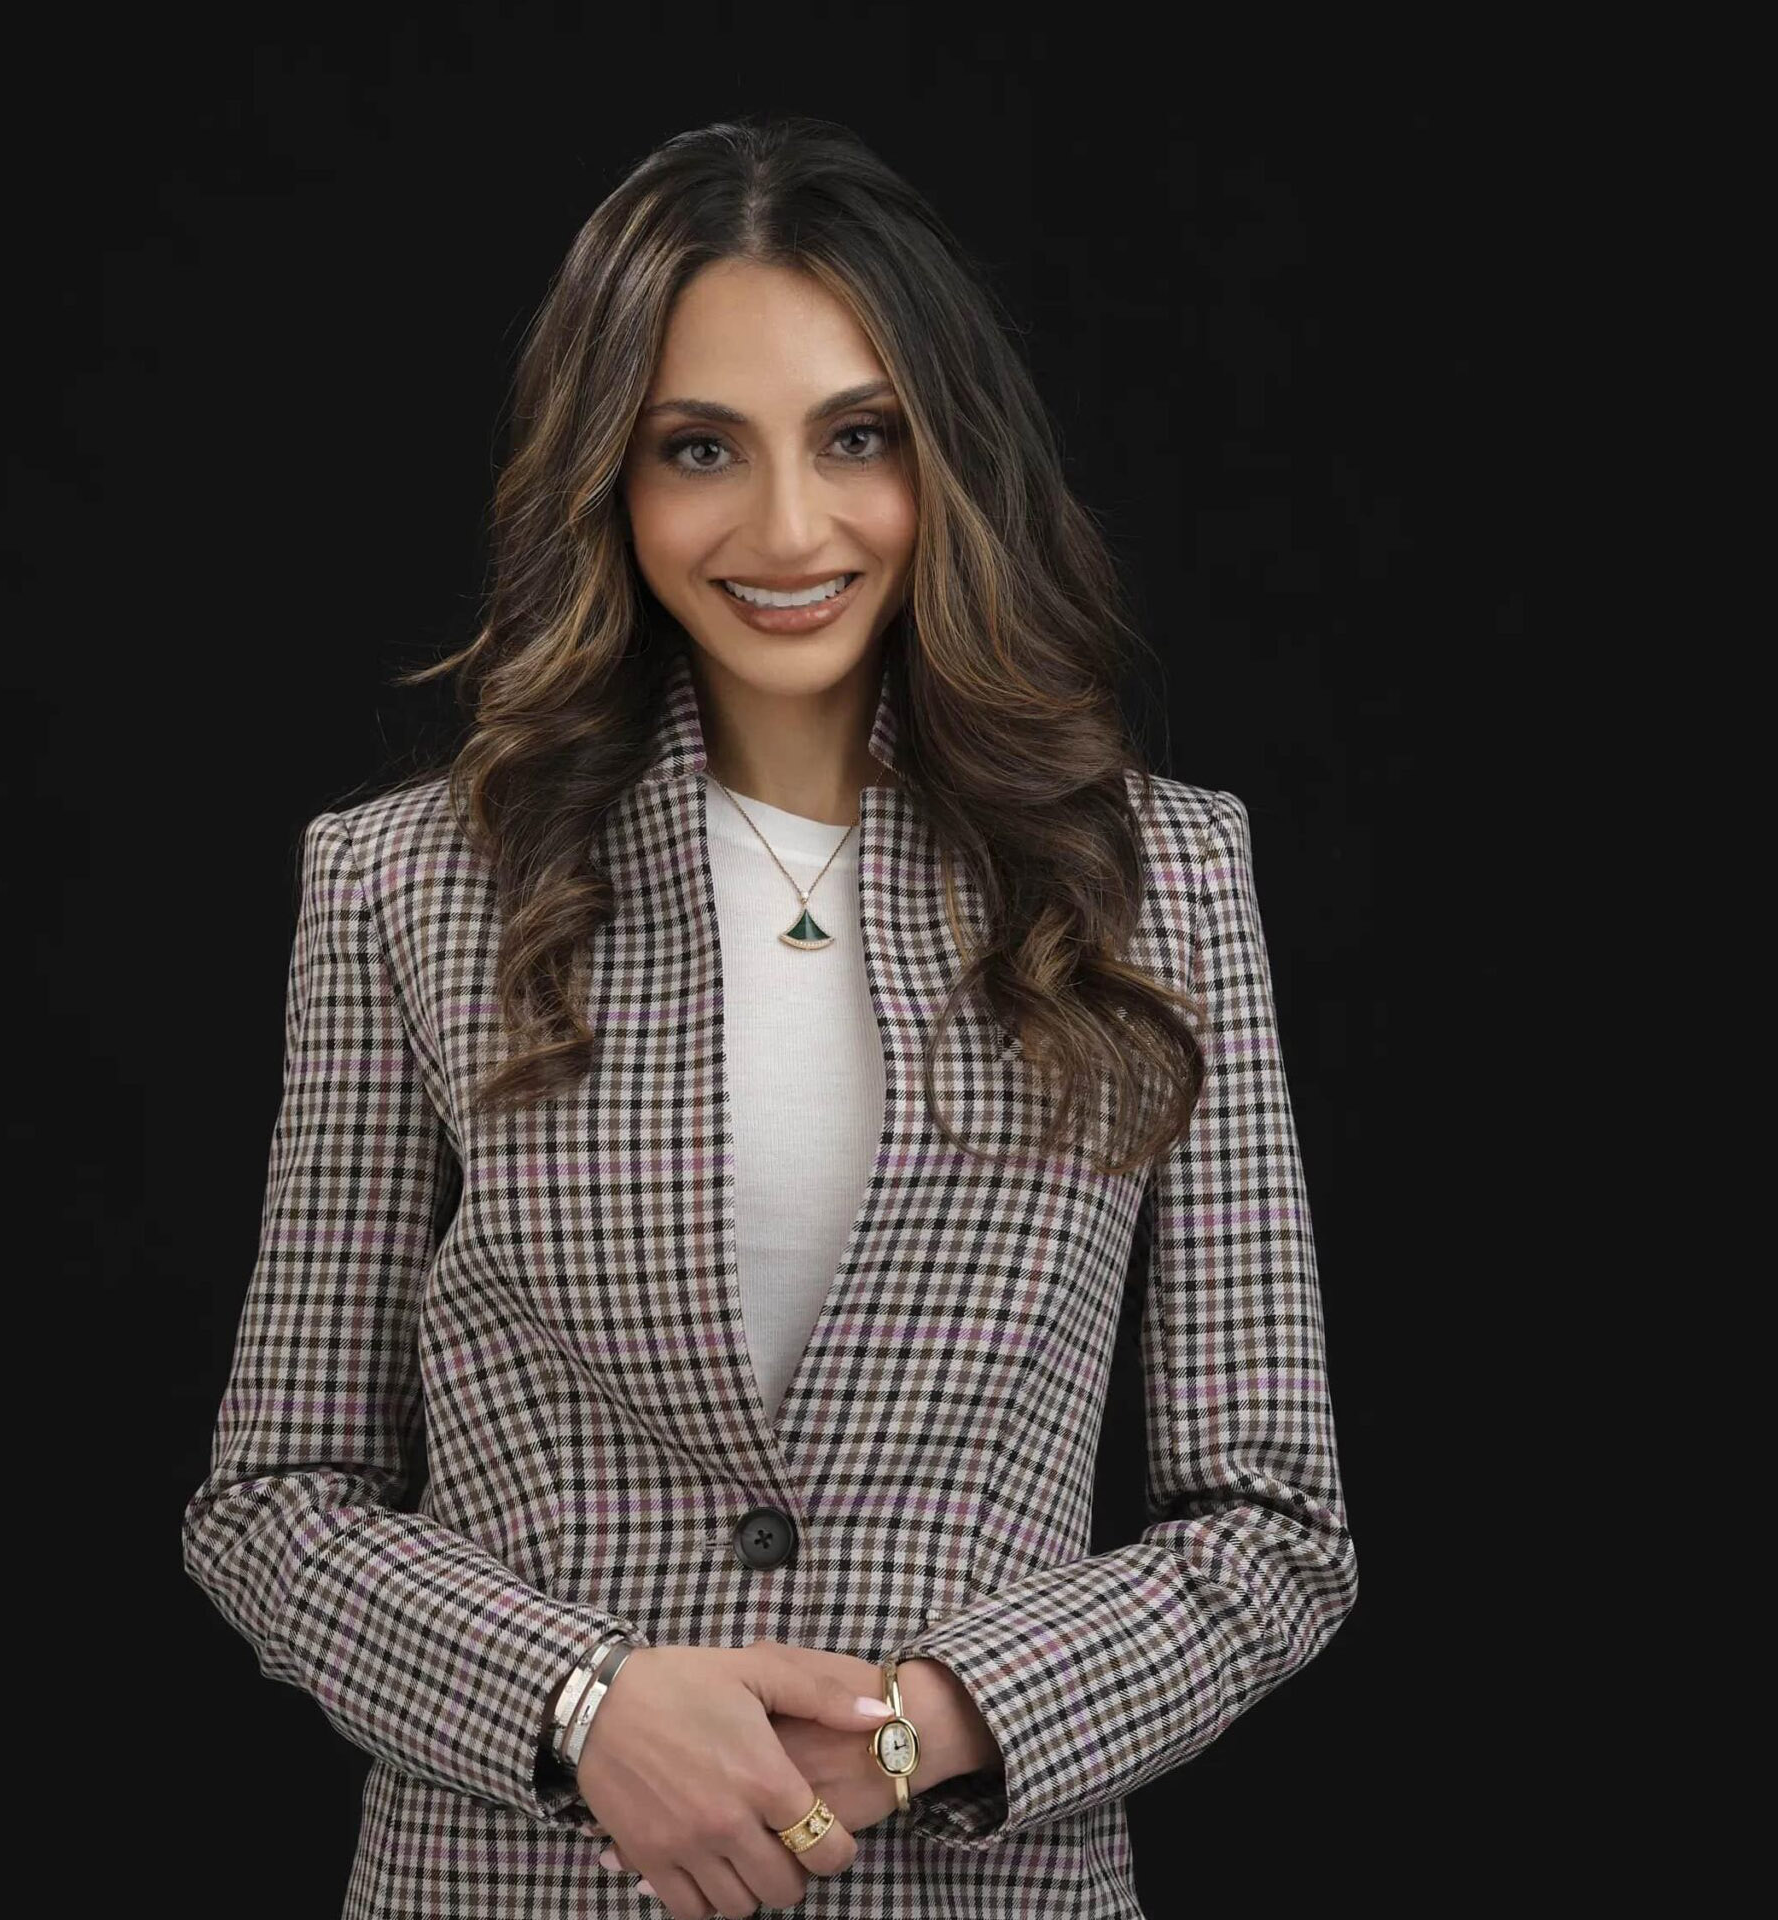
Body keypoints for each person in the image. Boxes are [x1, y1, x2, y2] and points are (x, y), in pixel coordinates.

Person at [182, 113, 1358, 1920]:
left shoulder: (1164, 882)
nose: (788, 526)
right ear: (610, 479)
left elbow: (1274, 1526)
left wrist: (928, 1721)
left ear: (945, 458)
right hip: (509, 1881)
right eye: (699, 448)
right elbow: (275, 1497)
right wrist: (580, 1707)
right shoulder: (407, 884)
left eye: (859, 438)